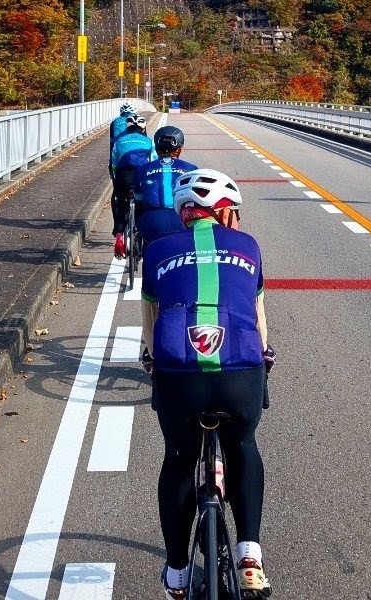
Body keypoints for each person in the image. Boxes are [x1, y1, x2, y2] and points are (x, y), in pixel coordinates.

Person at [141, 168, 274, 600]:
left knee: (179, 461)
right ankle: (250, 558)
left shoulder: (157, 251)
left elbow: (150, 325)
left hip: (179, 376)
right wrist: (264, 355)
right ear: (225, 213)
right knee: (243, 446)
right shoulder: (248, 246)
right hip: (239, 372)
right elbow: (259, 321)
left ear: (185, 214)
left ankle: (177, 575)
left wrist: (151, 360)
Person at [131, 125, 197, 247]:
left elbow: (138, 202)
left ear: (156, 148)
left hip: (151, 221)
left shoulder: (142, 169)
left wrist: (138, 227)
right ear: (180, 149)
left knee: (150, 249)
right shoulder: (192, 169)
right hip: (180, 220)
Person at [109, 115, 154, 258]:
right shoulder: (149, 141)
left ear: (127, 129)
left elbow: (114, 164)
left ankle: (119, 235)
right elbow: (153, 162)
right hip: (141, 176)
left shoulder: (119, 141)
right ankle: (141, 232)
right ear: (143, 129)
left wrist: (116, 180)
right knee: (144, 203)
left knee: (119, 202)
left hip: (123, 176)